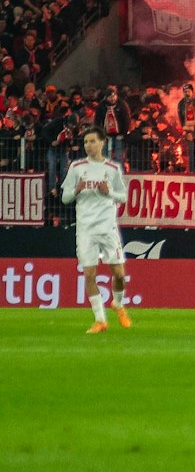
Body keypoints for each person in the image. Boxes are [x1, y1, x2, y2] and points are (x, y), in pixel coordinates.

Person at [61, 127, 130, 333]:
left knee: (118, 273)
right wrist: (76, 190)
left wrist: (110, 193)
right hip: (85, 229)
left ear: (102, 143)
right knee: (89, 274)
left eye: (92, 141)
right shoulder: (76, 167)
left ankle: (117, 304)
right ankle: (100, 320)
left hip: (107, 228)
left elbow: (123, 196)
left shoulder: (113, 168)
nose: (88, 146)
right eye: (85, 142)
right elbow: (65, 198)